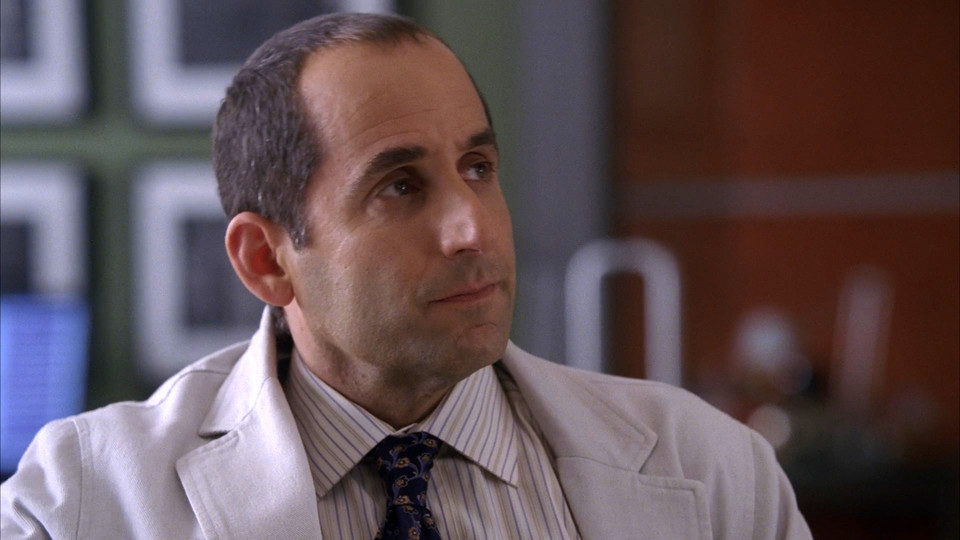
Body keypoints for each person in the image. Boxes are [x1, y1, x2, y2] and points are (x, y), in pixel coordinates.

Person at [0, 13, 811, 539]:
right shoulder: (79, 503)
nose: (473, 228)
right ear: (266, 261)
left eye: (478, 167)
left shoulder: (713, 475)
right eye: (399, 187)